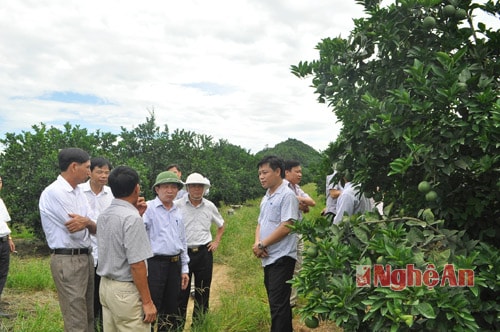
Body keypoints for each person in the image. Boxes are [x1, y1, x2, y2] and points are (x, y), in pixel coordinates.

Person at [39, 148, 97, 332]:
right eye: (87, 167)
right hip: (67, 259)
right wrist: (88, 223)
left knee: (88, 314)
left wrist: (87, 222)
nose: (90, 172)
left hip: (86, 257)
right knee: (75, 319)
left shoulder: (78, 192)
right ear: (74, 166)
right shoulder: (54, 192)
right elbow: (75, 230)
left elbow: (92, 224)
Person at [96, 165, 157, 332]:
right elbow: (136, 264)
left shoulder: (104, 215)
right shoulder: (131, 218)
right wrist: (147, 302)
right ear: (136, 188)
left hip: (106, 287)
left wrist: (137, 215)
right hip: (125, 291)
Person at [253, 155, 299, 332]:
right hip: (269, 257)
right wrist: (258, 243)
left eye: (265, 172)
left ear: (278, 172)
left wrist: (263, 244)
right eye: (259, 174)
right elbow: (260, 223)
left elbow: (287, 226)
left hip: (282, 256)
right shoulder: (267, 196)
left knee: (278, 305)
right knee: (277, 303)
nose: (261, 177)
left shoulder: (287, 195)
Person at [176, 173, 225, 328]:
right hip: (184, 253)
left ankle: (199, 325)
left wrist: (216, 241)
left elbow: (221, 225)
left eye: (200, 186)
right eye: (193, 186)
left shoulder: (209, 206)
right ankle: (178, 325)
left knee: (203, 291)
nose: (197, 189)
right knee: (181, 292)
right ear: (188, 188)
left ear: (204, 188)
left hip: (204, 252)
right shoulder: (177, 205)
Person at [143, 171, 189, 332]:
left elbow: (182, 241)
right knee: (152, 306)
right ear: (157, 189)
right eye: (166, 187)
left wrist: (184, 269)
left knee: (171, 307)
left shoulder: (178, 211)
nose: (170, 191)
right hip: (155, 265)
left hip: (174, 265)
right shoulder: (148, 209)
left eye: (174, 187)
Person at [79, 157, 114, 331]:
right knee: (88, 296)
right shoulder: (79, 191)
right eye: (99, 171)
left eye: (107, 172)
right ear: (90, 172)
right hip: (86, 252)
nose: (103, 175)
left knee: (104, 295)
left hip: (106, 253)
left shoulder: (111, 194)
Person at [284, 160, 316, 308]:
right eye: (297, 171)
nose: (300, 174)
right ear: (287, 172)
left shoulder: (296, 188)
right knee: (287, 266)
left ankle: (292, 301)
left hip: (298, 231)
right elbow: (303, 206)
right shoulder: (283, 188)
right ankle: (285, 299)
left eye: (300, 172)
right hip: (286, 232)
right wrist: (302, 204)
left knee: (298, 265)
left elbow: (312, 203)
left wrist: (299, 200)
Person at [0, 175, 15, 319]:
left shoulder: (0, 201)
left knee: (2, 273)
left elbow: (4, 222)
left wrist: (9, 238)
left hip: (3, 241)